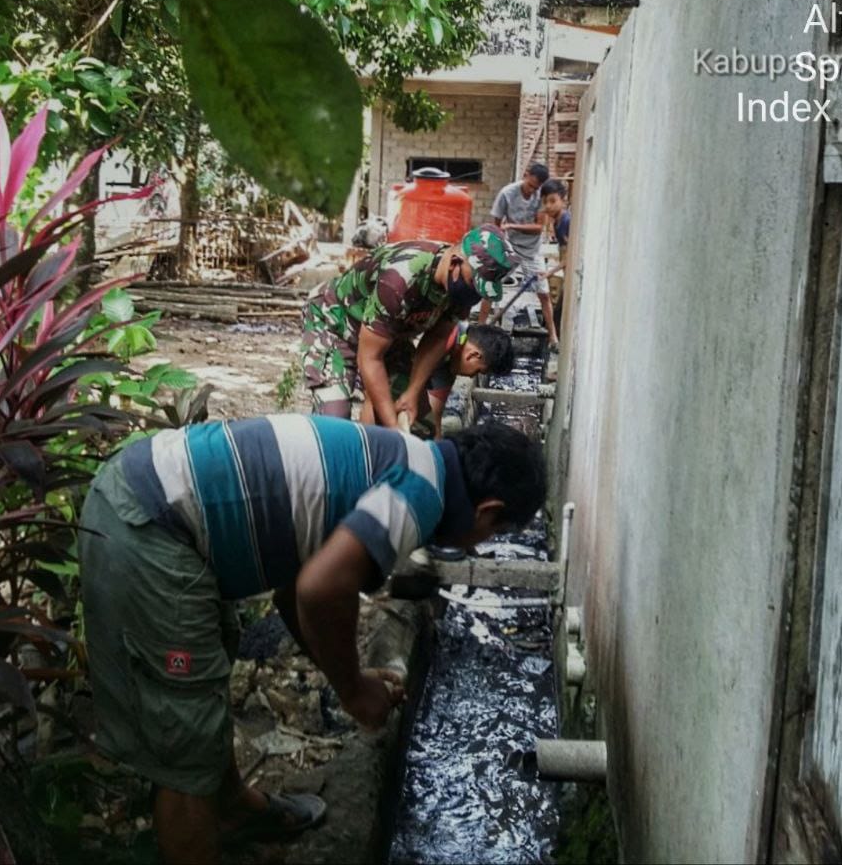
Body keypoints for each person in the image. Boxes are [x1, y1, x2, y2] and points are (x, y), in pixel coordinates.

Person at [77, 415, 546, 863]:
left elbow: (294, 591)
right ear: (488, 510)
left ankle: (233, 808)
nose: (476, 546)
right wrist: (354, 691)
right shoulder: (421, 495)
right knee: (184, 743)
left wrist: (351, 673)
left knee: (203, 683)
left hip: (152, 497)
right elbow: (320, 589)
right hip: (149, 523)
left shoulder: (411, 459)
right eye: (493, 533)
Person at [300, 226, 514, 426]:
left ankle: (374, 447)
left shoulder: (461, 291)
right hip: (335, 323)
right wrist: (393, 429)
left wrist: (412, 391)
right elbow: (370, 359)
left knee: (419, 423)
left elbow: (439, 336)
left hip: (388, 333)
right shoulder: (400, 278)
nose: (474, 295)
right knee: (335, 423)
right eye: (473, 284)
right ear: (454, 263)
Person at [359, 321, 515, 438]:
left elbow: (436, 413)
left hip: (404, 357)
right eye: (479, 371)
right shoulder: (444, 336)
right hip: (378, 343)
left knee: (426, 429)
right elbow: (377, 389)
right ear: (473, 355)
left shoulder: (452, 361)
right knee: (382, 402)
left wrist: (437, 455)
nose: (472, 376)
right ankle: (364, 451)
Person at [479, 163, 559, 349]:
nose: (532, 190)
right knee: (491, 284)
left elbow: (538, 228)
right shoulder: (507, 194)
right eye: (530, 185)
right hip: (510, 247)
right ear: (525, 175)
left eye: (536, 188)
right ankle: (481, 327)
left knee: (544, 293)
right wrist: (496, 249)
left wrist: (512, 225)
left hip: (532, 251)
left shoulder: (541, 197)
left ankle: (553, 336)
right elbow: (497, 225)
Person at [538, 178, 571, 334]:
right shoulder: (557, 222)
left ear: (563, 200)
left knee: (559, 313)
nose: (548, 206)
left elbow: (570, 256)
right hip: (566, 273)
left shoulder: (566, 221)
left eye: (553, 201)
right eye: (545, 202)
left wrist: (549, 272)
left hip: (570, 273)